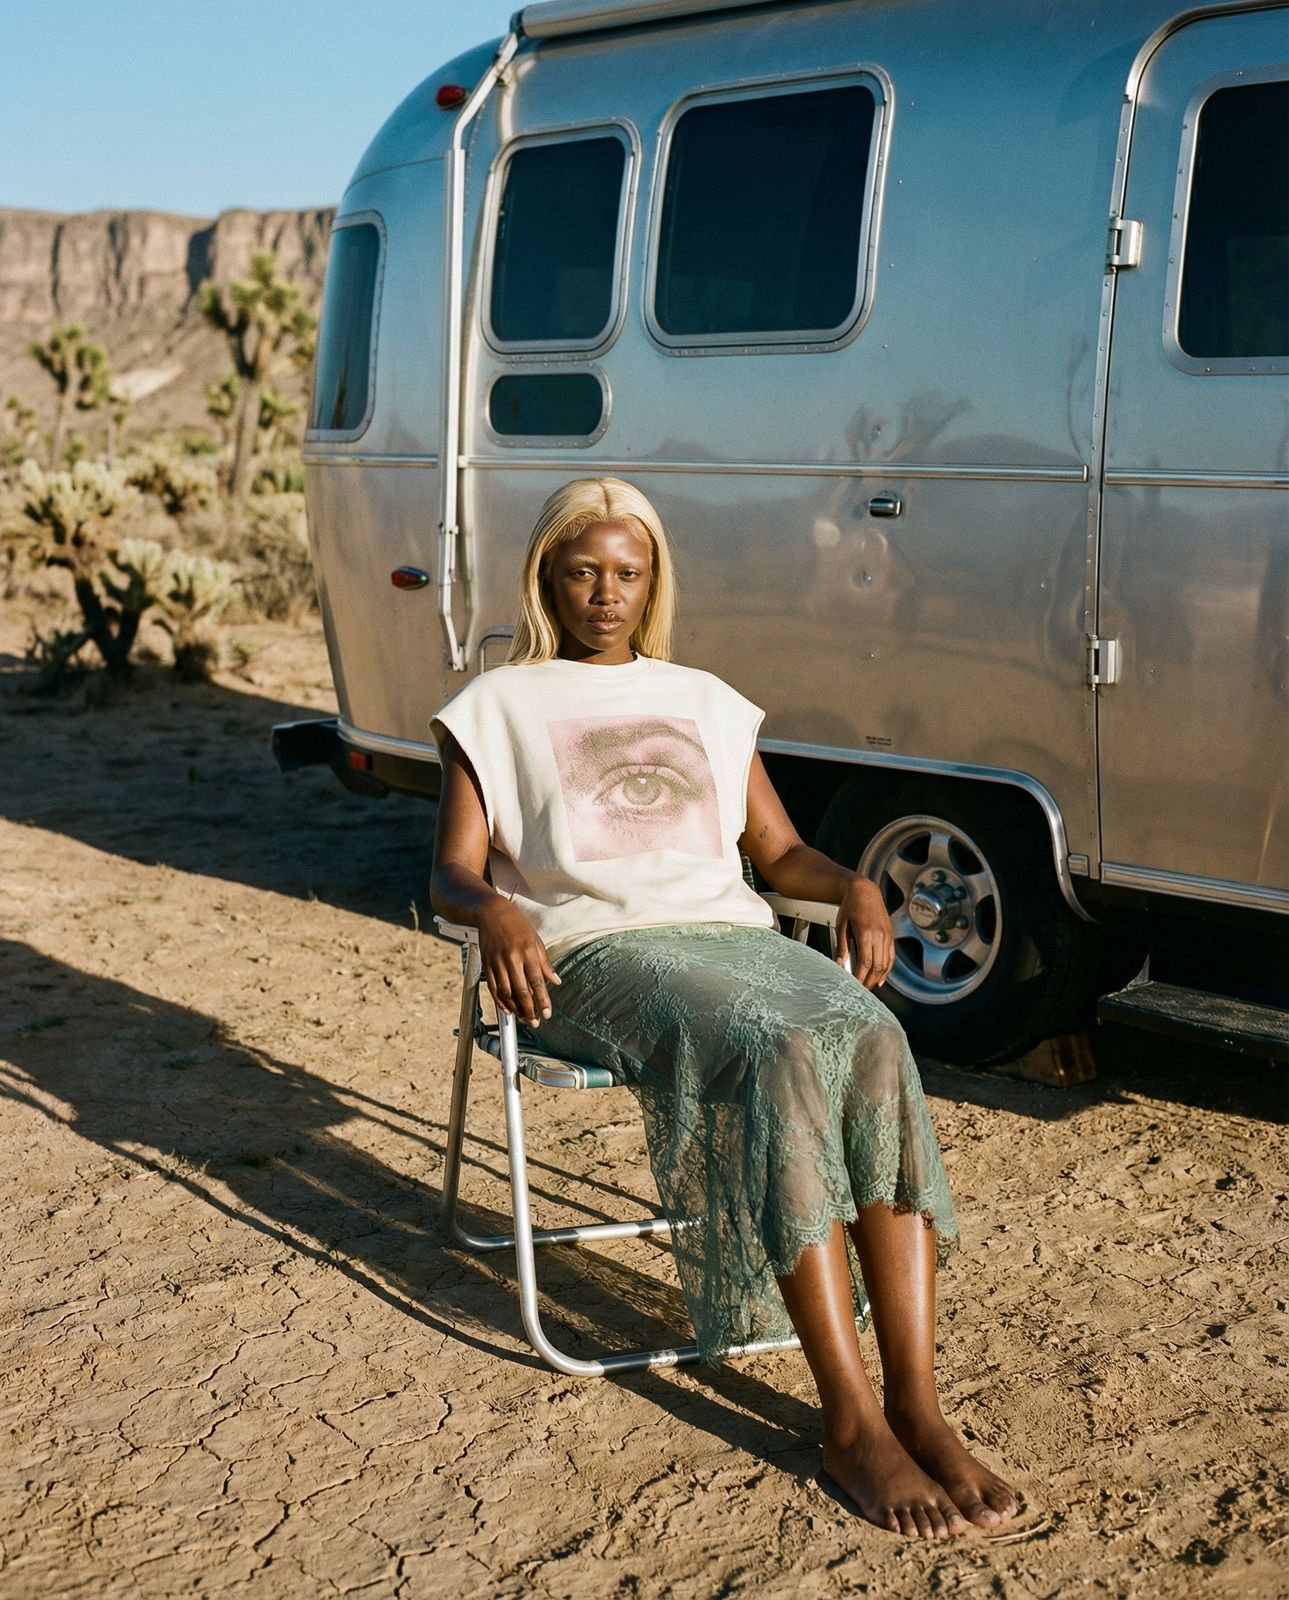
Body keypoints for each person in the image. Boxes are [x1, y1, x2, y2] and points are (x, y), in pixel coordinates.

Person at [430, 477, 1019, 1540]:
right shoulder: (497, 705)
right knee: (777, 1045)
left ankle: (917, 1406)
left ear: (652, 580)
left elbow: (779, 854)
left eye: (628, 572)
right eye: (582, 572)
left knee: (874, 1034)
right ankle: (850, 1423)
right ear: (546, 577)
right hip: (597, 955)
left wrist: (854, 885)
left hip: (729, 940)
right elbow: (451, 872)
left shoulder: (703, 698)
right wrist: (495, 912)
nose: (605, 594)